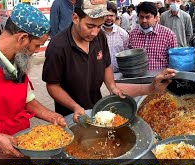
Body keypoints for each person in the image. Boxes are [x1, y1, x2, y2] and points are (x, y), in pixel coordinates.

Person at [42, 0, 176, 122]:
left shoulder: (100, 36)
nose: (95, 32)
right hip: (69, 112)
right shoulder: (57, 46)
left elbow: (106, 65)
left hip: (96, 104)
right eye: (90, 26)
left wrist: (112, 87)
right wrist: (75, 106)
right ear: (75, 18)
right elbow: (52, 85)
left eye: (99, 26)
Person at [0, 3, 66, 158]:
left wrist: (53, 116)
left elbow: (28, 100)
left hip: (20, 146)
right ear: (22, 38)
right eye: (37, 45)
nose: (38, 51)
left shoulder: (18, 60)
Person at [128, 1, 177, 70]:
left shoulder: (168, 35)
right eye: (141, 17)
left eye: (148, 17)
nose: (144, 20)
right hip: (138, 78)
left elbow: (174, 62)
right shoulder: (133, 34)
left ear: (156, 18)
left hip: (161, 78)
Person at [102, 2, 129, 72]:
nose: (108, 18)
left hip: (120, 73)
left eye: (111, 15)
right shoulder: (96, 33)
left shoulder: (123, 34)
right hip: (101, 74)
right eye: (106, 15)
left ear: (116, 16)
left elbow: (127, 54)